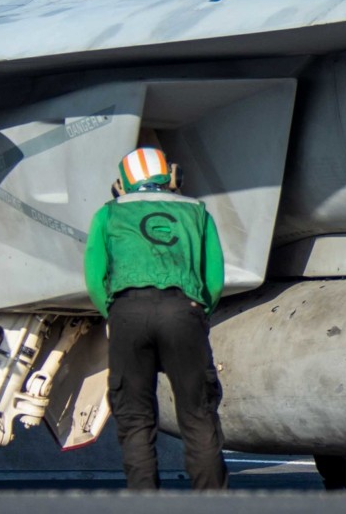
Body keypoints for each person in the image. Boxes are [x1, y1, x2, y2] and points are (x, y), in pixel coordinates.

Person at [85, 147, 228, 490]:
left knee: (134, 419)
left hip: (127, 312)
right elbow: (215, 278)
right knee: (197, 415)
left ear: (122, 184)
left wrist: (115, 313)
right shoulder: (198, 211)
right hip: (183, 311)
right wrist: (197, 314)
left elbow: (94, 277)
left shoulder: (107, 214)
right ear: (172, 176)